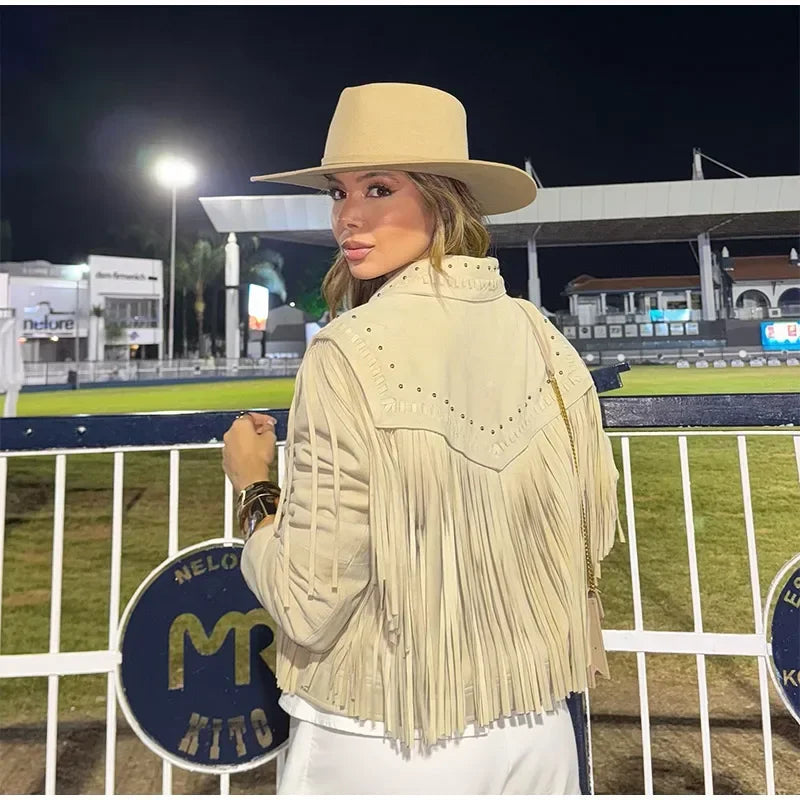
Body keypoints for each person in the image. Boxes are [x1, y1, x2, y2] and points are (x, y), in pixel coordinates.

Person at [222, 82, 620, 794]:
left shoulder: (347, 351)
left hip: (384, 734)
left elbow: (309, 601)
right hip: (538, 729)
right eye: (338, 193)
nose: (348, 215)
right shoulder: (543, 336)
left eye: (378, 188)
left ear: (444, 200)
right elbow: (590, 530)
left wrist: (255, 490)